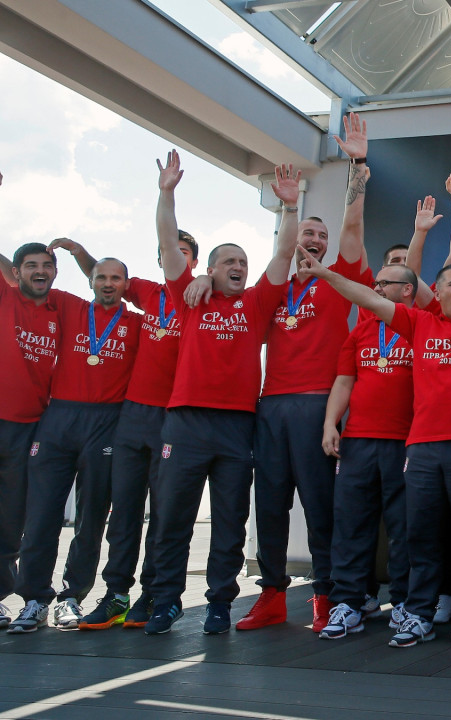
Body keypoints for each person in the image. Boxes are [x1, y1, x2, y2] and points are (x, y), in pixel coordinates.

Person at [296, 202, 451, 652]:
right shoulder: (417, 323)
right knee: (422, 532)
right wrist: (325, 275)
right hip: (423, 447)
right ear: (435, 294)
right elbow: (367, 296)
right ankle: (419, 614)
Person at [143, 151, 296, 635]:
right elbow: (168, 242)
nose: (238, 266)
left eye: (242, 261)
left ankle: (218, 603)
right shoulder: (189, 296)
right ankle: (166, 601)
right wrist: (166, 193)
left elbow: (285, 255)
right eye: (228, 261)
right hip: (185, 421)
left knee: (231, 523)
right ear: (210, 267)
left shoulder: (255, 303)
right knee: (172, 518)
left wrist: (289, 209)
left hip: (236, 424)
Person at [235, 112, 374, 633]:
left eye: (321, 234)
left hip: (320, 403)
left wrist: (358, 163)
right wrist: (291, 208)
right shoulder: (273, 290)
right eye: (307, 233)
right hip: (271, 408)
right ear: (295, 241)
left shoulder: (340, 280)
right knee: (268, 504)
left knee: (321, 506)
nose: (315, 239)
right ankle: (271, 594)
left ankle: (326, 595)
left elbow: (354, 227)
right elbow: (272, 256)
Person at [37, 234, 201, 631]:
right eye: (167, 253)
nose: (175, 260)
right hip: (131, 418)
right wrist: (80, 254)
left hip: (173, 418)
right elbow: (104, 279)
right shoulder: (144, 291)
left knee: (163, 514)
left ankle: (153, 593)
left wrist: (210, 279)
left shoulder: (202, 297)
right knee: (124, 512)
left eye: (184, 254)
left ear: (194, 263)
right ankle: (116, 594)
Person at [6, 252, 141, 633]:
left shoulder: (138, 324)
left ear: (126, 285)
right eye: (101, 277)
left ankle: (71, 596)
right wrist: (76, 251)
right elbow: (19, 273)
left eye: (117, 278)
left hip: (107, 422)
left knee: (91, 516)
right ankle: (34, 598)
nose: (109, 283)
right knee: (42, 512)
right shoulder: (69, 305)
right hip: (59, 418)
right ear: (90, 280)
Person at [318, 263, 418, 639]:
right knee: (351, 524)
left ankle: (406, 601)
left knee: (404, 527)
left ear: (406, 291)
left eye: (384, 284)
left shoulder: (420, 326)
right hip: (358, 441)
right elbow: (344, 382)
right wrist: (331, 424)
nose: (375, 288)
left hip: (405, 441)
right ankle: (348, 602)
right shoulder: (359, 332)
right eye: (374, 283)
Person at [0, 242, 69, 631]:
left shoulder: (59, 310)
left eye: (46, 265)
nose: (39, 271)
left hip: (30, 428)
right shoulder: (5, 296)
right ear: (16, 271)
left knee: (11, 521)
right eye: (30, 266)